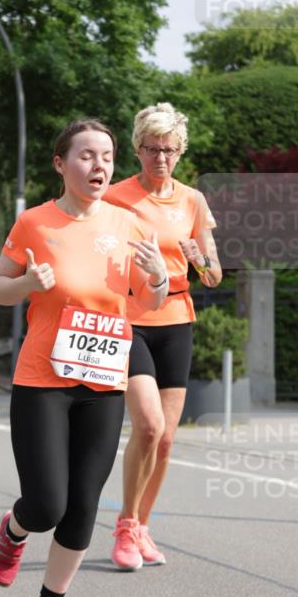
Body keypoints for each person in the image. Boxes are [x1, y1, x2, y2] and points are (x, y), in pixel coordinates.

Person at [0, 118, 169, 597]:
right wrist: (24, 281)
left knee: (85, 502)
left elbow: (150, 303)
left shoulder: (127, 224)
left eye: (108, 157)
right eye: (87, 156)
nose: (99, 166)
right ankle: (14, 529)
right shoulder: (34, 223)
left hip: (105, 378)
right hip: (43, 376)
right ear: (60, 164)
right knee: (47, 503)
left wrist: (157, 274)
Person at [104, 102, 222, 570]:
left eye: (169, 150)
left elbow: (213, 275)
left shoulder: (192, 200)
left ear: (180, 152)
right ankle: (124, 528)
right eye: (152, 149)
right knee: (148, 426)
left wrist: (198, 257)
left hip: (177, 319)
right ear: (137, 149)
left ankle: (142, 525)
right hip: (129, 317)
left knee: (168, 438)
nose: (160, 159)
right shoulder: (114, 197)